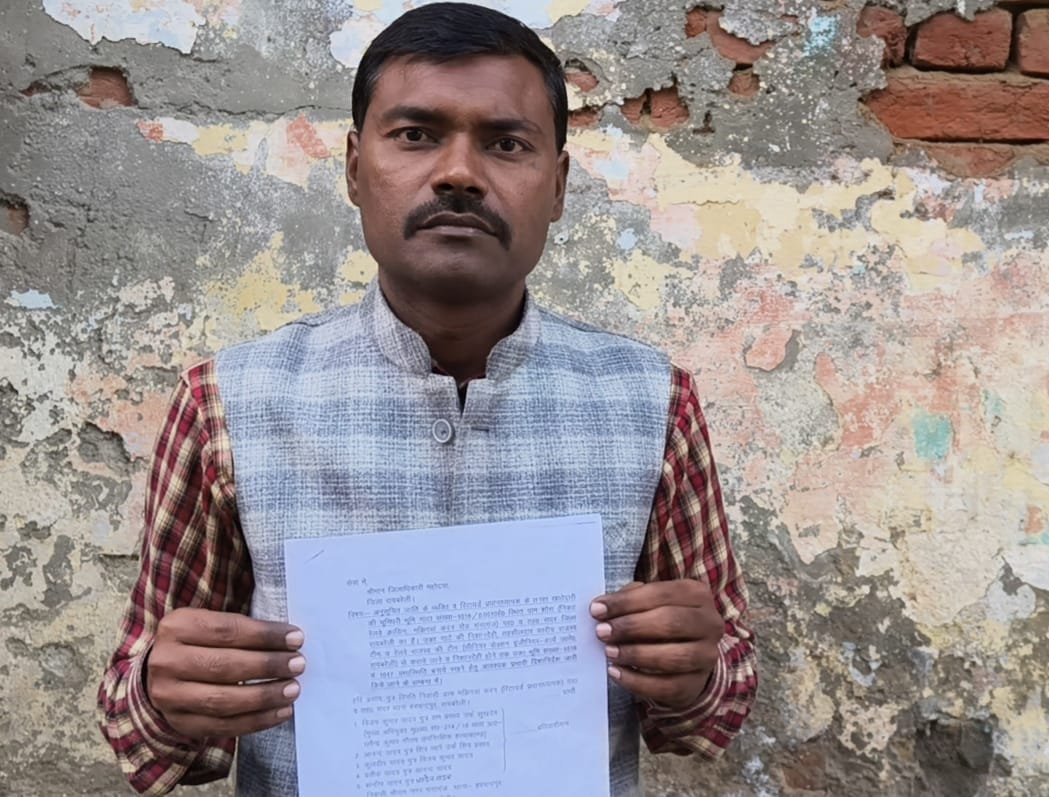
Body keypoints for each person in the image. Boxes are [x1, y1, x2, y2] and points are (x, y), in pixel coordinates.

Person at [96, 4, 756, 795]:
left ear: (557, 186)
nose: (458, 174)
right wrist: (165, 694)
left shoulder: (649, 401)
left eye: (505, 143)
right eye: (415, 134)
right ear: (353, 168)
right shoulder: (232, 402)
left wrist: (694, 671)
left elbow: (712, 708)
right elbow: (145, 733)